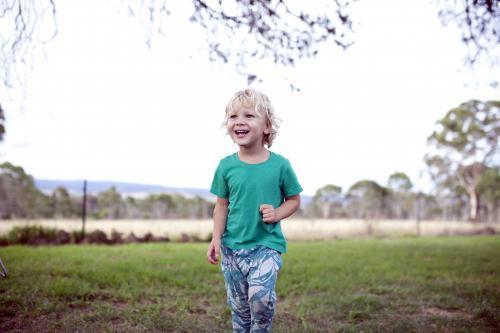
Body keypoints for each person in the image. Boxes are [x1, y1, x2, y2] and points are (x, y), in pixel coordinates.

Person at [207, 88, 302, 332]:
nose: (239, 121)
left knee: (260, 299)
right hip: (232, 248)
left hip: (266, 245)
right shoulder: (226, 167)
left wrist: (278, 213)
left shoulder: (280, 165)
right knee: (240, 308)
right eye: (233, 117)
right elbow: (221, 206)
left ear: (267, 126)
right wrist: (216, 238)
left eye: (249, 116)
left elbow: (294, 199)